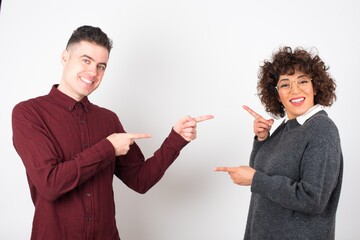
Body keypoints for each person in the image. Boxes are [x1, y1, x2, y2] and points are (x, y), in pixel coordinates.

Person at [12, 25, 214, 240]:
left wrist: (176, 138)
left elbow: (140, 180)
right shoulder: (29, 113)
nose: (93, 72)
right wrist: (107, 148)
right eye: (86, 60)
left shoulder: (108, 119)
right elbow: (50, 184)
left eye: (101, 66)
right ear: (64, 57)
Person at [215, 46, 343, 240]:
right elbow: (260, 173)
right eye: (285, 84)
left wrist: (256, 180)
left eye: (303, 81)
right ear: (276, 94)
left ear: (315, 86)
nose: (295, 90)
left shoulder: (321, 130)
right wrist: (262, 139)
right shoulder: (286, 127)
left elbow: (312, 199)